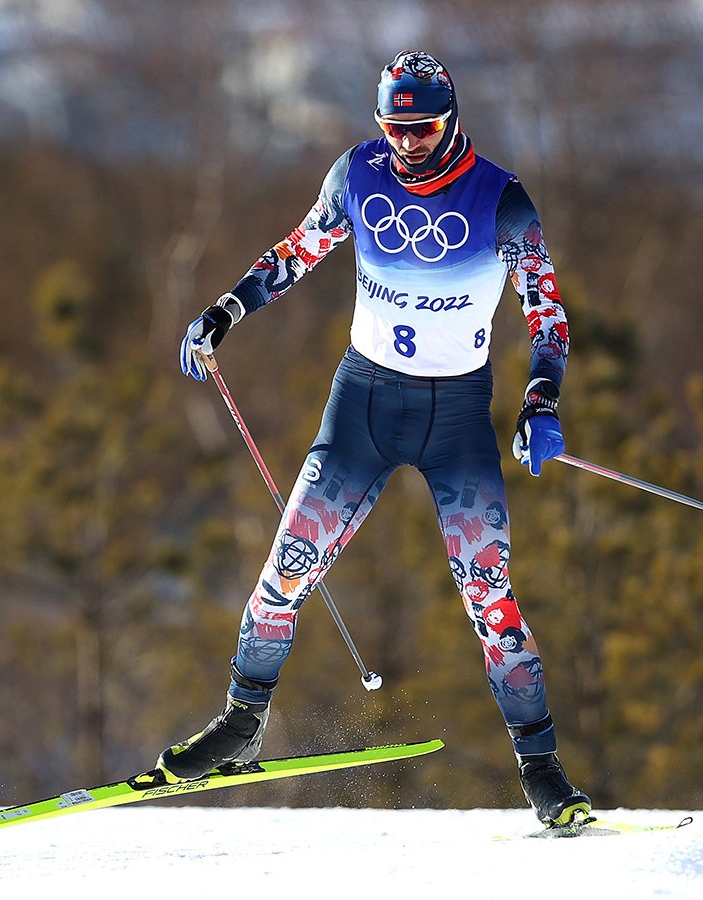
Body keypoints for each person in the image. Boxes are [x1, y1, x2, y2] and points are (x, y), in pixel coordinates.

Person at [168, 50, 590, 827]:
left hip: (457, 418)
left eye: (423, 128)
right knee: (286, 568)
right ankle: (240, 723)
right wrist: (226, 310)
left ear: (452, 117)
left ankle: (542, 769)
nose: (408, 144)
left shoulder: (502, 200)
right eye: (394, 129)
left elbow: (547, 313)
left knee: (489, 595)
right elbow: (297, 251)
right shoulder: (356, 175)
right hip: (362, 403)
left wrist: (541, 399)